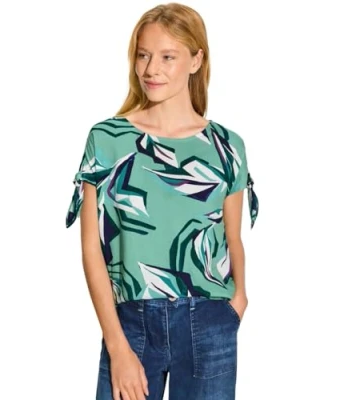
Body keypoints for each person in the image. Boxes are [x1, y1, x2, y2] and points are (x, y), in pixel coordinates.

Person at [65, 3, 259, 399]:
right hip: (131, 324)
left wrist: (238, 301)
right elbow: (91, 249)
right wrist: (117, 347)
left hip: (210, 320)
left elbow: (233, 237)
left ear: (196, 60)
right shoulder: (108, 139)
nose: (151, 69)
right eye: (143, 55)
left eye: (168, 56)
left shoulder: (226, 146)